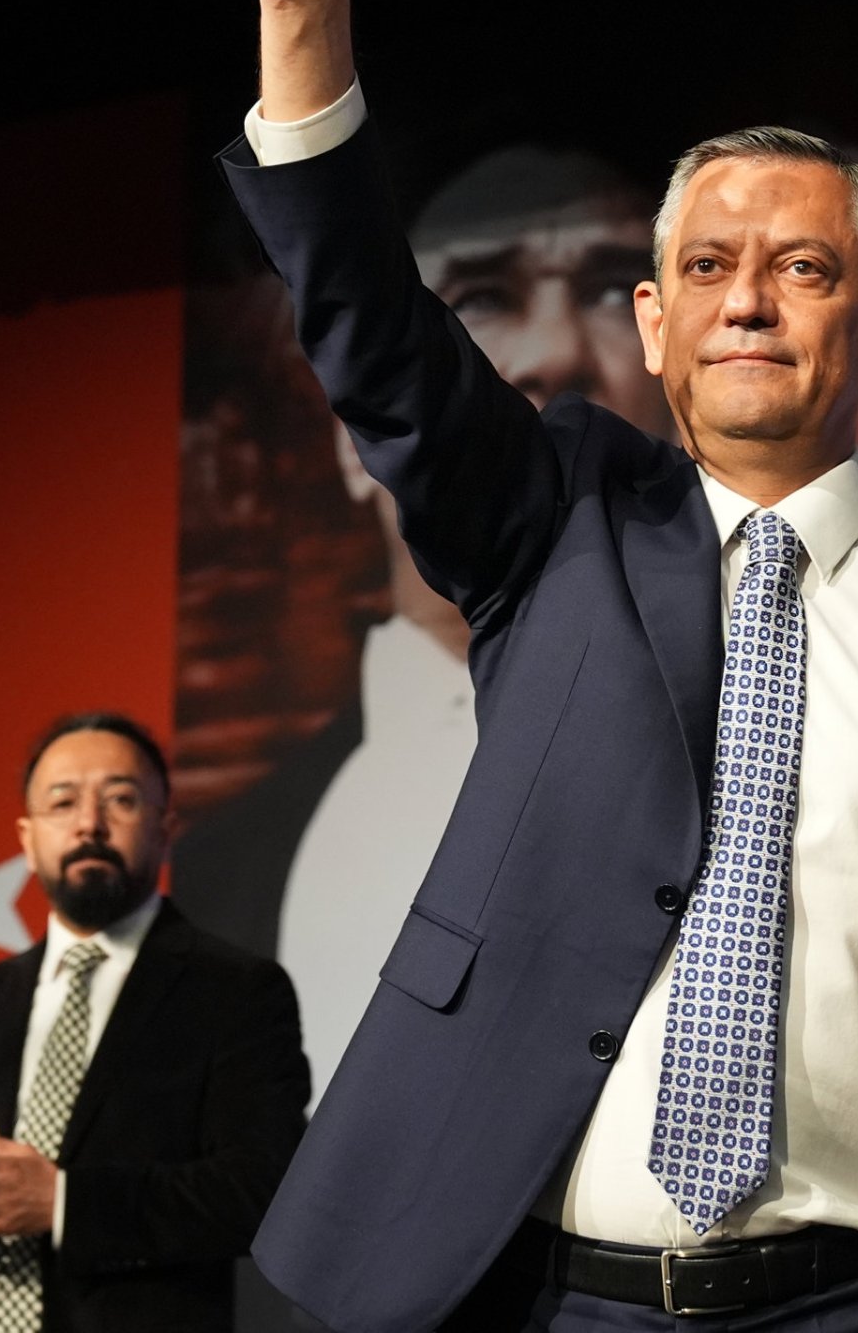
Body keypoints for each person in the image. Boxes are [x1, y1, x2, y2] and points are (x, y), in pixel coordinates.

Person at [138, 0, 858, 1332]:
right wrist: (301, 2)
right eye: (709, 270)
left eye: (804, 268)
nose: (751, 301)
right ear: (659, 331)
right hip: (551, 1297)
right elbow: (375, 334)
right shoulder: (560, 515)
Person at [177, 145, 675, 1108]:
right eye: (481, 298)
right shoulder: (220, 865)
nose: (554, 351)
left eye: (614, 288)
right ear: (350, 434)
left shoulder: (796, 739)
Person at [0, 714, 309, 1332]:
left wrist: (62, 1203)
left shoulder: (236, 991)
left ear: (165, 829)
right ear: (28, 839)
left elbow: (263, 1191)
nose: (89, 823)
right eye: (63, 802)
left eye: (121, 799)